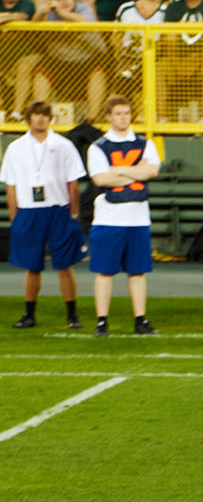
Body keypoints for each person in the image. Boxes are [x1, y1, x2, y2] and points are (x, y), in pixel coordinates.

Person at [3, 102, 86, 331]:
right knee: (32, 266)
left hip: (58, 209)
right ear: (28, 118)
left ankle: (72, 315)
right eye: (36, 115)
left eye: (44, 115)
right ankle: (29, 314)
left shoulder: (64, 145)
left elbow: (73, 182)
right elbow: (11, 185)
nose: (40, 119)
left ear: (50, 118)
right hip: (29, 210)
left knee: (64, 265)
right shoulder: (16, 148)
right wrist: (14, 215)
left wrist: (73, 213)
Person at [87, 95, 160, 338]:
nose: (123, 118)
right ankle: (101, 321)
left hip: (138, 218)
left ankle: (140, 319)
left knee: (137, 271)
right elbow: (101, 179)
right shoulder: (98, 147)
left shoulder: (144, 143)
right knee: (105, 271)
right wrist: (136, 173)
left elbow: (152, 171)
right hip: (109, 218)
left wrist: (118, 170)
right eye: (118, 113)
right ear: (108, 116)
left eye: (127, 113)